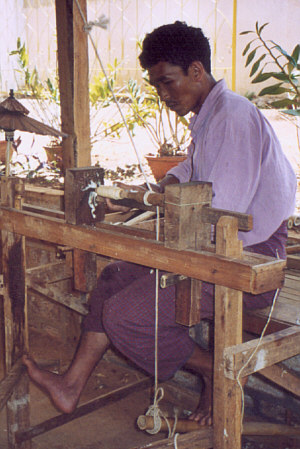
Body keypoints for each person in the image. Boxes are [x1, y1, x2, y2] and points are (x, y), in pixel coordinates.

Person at [23, 21, 296, 425]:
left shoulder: (233, 116)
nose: (164, 95)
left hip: (249, 262)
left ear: (197, 71)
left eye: (169, 82)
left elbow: (223, 212)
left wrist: (156, 221)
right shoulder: (210, 114)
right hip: (212, 250)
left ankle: (214, 371)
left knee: (125, 316)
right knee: (113, 278)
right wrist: (148, 191)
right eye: (156, 86)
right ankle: (71, 385)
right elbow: (193, 171)